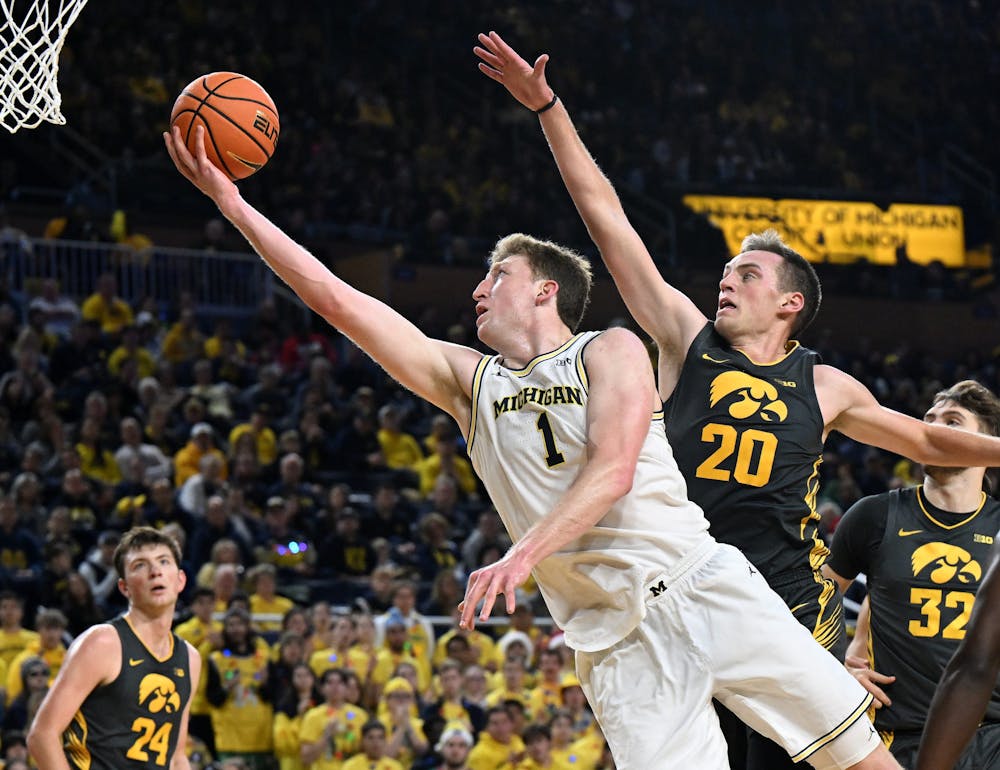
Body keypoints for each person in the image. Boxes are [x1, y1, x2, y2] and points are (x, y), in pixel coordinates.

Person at [164, 122, 895, 769]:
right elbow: (334, 297)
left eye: (497, 274)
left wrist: (522, 555)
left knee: (857, 756)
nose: (479, 289)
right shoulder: (465, 382)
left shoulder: (611, 349)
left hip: (702, 584)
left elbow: (611, 471)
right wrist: (233, 206)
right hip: (614, 641)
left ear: (545, 291)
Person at [473, 29, 1000, 770]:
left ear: (790, 301)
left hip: (781, 605)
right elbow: (608, 222)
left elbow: (928, 443)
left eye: (746, 273)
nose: (727, 279)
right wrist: (549, 110)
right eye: (726, 269)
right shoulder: (686, 340)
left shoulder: (823, 383)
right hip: (672, 586)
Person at [823, 380, 1000, 768]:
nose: (933, 430)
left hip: (992, 735)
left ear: (988, 446)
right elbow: (814, 598)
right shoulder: (874, 515)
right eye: (928, 420)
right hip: (897, 734)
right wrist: (834, 668)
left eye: (952, 422)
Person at [26, 526, 199, 770]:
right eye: (140, 565)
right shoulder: (102, 643)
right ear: (124, 587)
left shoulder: (190, 658)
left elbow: (176, 757)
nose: (155, 571)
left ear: (180, 580)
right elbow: (42, 735)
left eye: (163, 561)